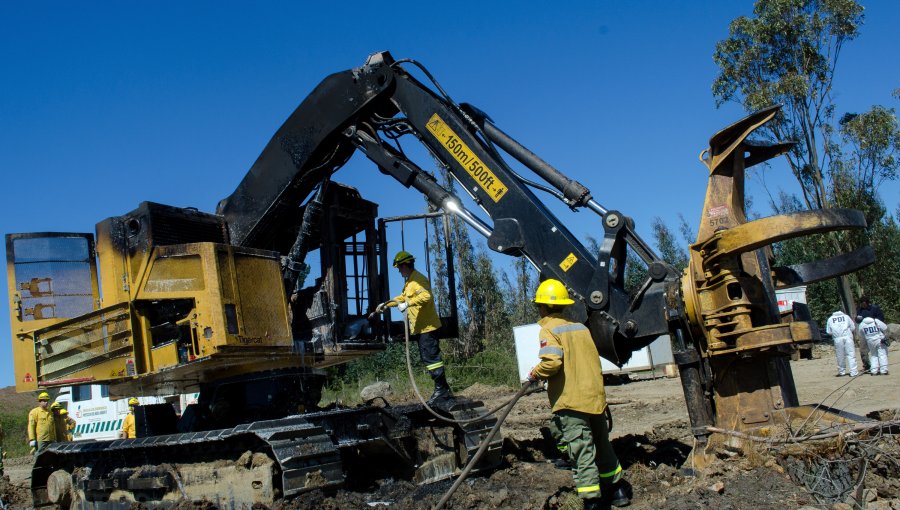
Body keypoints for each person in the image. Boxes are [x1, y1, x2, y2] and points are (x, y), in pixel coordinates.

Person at [526, 279, 629, 509]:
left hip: (571, 402)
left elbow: (552, 363)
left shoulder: (548, 329)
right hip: (594, 398)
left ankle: (592, 501)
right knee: (603, 446)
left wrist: (535, 373)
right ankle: (618, 490)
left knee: (581, 450)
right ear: (563, 305)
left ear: (542, 307)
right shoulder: (581, 328)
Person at [369, 251, 450, 405]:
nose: (399, 271)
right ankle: (444, 389)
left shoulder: (418, 280)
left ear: (405, 265)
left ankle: (442, 390)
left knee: (432, 359)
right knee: (429, 358)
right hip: (422, 328)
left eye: (399, 268)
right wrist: (386, 305)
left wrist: (408, 304)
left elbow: (426, 296)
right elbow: (402, 298)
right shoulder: (410, 282)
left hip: (427, 327)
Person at [855, 296, 885, 372]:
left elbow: (881, 319)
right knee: (863, 350)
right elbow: (858, 321)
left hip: (875, 332)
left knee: (878, 351)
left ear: (868, 303)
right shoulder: (860, 310)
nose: (863, 305)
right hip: (865, 333)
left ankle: (881, 367)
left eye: (864, 303)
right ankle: (867, 366)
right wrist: (857, 319)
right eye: (861, 303)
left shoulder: (875, 308)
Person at [825, 310, 857, 377]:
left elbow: (828, 331)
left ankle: (841, 372)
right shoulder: (846, 317)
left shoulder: (830, 319)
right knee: (851, 354)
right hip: (847, 337)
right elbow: (853, 327)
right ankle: (853, 372)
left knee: (840, 355)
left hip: (837, 339)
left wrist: (835, 333)